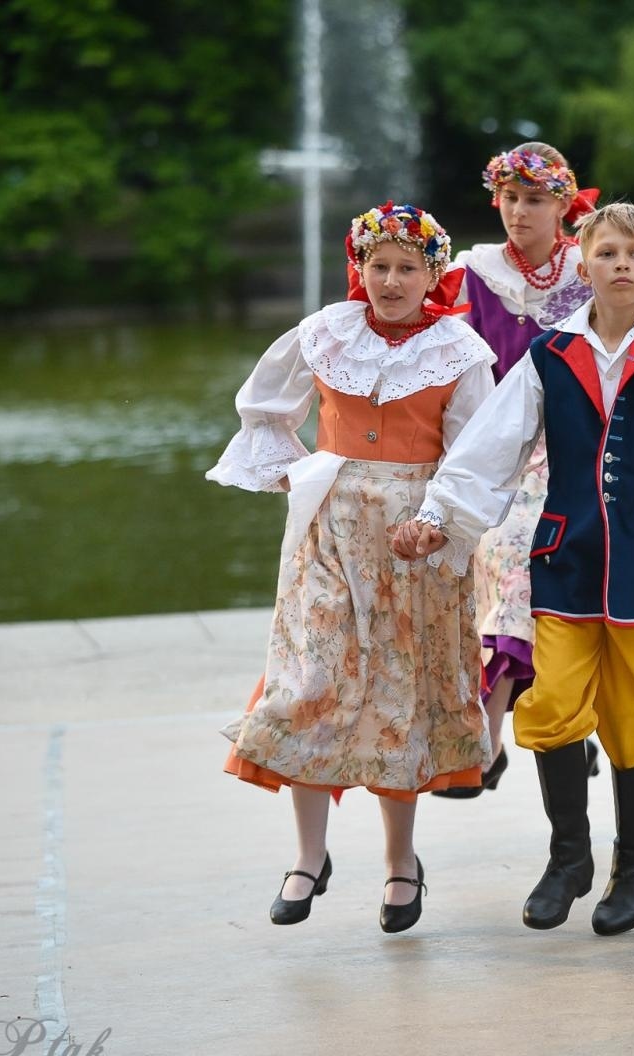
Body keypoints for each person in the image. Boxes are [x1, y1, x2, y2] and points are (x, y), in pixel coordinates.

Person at [392, 203, 634, 935]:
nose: (621, 266)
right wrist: (436, 517)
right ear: (584, 266)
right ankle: (567, 858)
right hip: (568, 557)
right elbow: (491, 445)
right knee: (549, 710)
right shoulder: (551, 355)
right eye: (606, 253)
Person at [209, 203, 496, 932]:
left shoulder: (459, 350)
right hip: (331, 529)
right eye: (378, 266)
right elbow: (264, 412)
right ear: (358, 269)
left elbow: (475, 453)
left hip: (414, 534)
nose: (391, 280)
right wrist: (298, 474)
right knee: (314, 683)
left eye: (408, 267)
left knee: (398, 695)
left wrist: (436, 520)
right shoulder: (326, 332)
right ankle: (309, 857)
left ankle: (402, 863)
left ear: (435, 273)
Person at [434, 143, 611, 798]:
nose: (518, 211)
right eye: (509, 198)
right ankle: (491, 737)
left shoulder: (594, 265)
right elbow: (446, 364)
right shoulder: (474, 273)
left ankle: (522, 732)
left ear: (564, 205)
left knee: (545, 565)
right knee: (502, 560)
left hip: (581, 440)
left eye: (534, 199)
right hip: (500, 441)